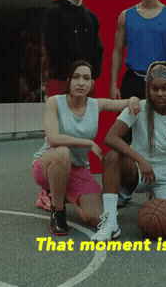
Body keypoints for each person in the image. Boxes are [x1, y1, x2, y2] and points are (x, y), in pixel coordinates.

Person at [32, 60, 140, 236]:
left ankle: (58, 195)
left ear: (92, 84)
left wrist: (134, 99)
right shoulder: (55, 102)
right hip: (48, 164)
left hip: (78, 170)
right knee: (62, 152)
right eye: (76, 77)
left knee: (96, 217)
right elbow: (53, 138)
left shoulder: (95, 105)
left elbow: (125, 103)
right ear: (68, 81)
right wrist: (89, 143)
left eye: (86, 78)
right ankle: (58, 211)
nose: (81, 82)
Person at [92, 61, 166, 241]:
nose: (160, 93)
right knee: (112, 157)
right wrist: (141, 159)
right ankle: (111, 222)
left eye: (165, 88)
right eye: (154, 89)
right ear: (148, 89)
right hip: (139, 169)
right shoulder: (138, 107)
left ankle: (156, 198)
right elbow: (110, 137)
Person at [44, 0, 104, 97]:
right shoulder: (55, 12)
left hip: (86, 81)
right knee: (59, 116)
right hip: (62, 79)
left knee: (86, 116)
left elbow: (98, 50)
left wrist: (90, 76)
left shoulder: (92, 18)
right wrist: (73, 74)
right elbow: (53, 48)